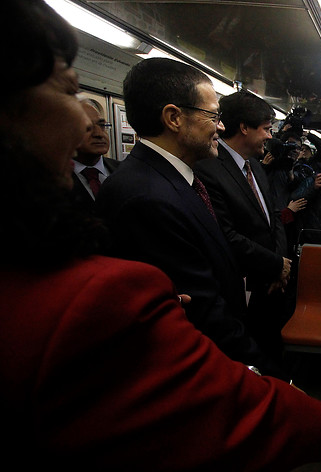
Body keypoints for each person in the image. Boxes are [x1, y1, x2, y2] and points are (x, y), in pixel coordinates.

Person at [0, 0, 321, 468]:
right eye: (67, 90)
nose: (82, 122)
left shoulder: (186, 180)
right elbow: (208, 364)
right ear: (175, 118)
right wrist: (311, 409)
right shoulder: (142, 203)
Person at [96, 58, 287, 379]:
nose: (221, 127)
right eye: (213, 116)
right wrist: (269, 377)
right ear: (174, 118)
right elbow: (201, 308)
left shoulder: (172, 180)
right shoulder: (146, 195)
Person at [194, 90, 291, 364]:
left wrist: (280, 264)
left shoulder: (256, 167)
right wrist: (275, 264)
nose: (270, 136)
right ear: (244, 128)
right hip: (241, 288)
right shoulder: (208, 169)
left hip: (272, 284)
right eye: (266, 129)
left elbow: (273, 217)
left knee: (271, 351)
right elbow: (226, 234)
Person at [71, 98, 119, 212]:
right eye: (87, 127)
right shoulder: (52, 182)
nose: (99, 134)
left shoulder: (124, 170)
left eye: (102, 125)